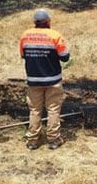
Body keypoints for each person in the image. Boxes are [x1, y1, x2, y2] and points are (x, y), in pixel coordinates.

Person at [19, 8, 71, 150]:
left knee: (35, 110)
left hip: (33, 80)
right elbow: (65, 57)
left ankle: (32, 141)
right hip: (53, 80)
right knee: (53, 109)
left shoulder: (25, 35)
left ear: (34, 22)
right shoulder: (55, 35)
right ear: (48, 21)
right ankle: (54, 139)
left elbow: (23, 55)